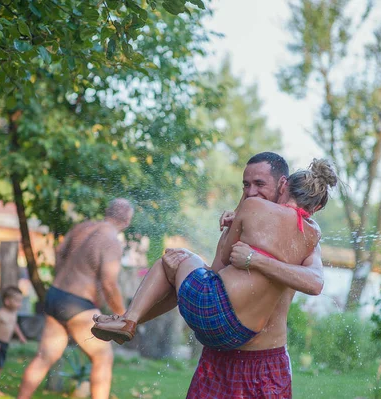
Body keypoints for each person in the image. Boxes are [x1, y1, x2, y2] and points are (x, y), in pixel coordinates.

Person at [93, 153, 330, 398]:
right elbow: (216, 276)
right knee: (177, 271)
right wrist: (229, 230)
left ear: (283, 185)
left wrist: (258, 260)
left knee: (177, 264)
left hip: (263, 358)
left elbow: (315, 282)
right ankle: (130, 322)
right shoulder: (253, 218)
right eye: (245, 185)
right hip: (219, 354)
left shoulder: (309, 239)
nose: (250, 192)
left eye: (259, 184)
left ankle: (129, 321)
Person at [17, 198, 134, 399]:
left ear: (107, 211)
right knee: (103, 357)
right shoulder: (112, 240)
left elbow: (59, 252)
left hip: (55, 295)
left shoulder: (83, 227)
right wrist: (124, 315)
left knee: (45, 356)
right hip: (77, 304)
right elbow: (109, 284)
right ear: (127, 221)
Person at [0, 286, 27, 396]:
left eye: (21, 301)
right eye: (17, 301)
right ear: (7, 301)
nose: (20, 304)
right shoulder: (0, 314)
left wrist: (20, 336)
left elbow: (14, 325)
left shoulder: (13, 313)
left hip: (4, 344)